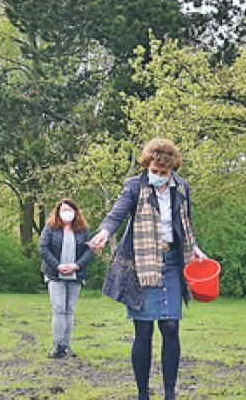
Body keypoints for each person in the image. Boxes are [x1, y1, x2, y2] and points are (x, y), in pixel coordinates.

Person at [88, 138, 207, 400]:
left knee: (171, 327)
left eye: (163, 173)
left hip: (173, 263)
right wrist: (104, 233)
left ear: (172, 169)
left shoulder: (182, 189)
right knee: (143, 330)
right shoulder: (134, 186)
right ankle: (143, 394)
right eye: (154, 171)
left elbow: (185, 225)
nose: (158, 176)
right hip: (143, 264)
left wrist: (194, 248)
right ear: (147, 165)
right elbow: (116, 214)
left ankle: (169, 393)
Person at [39, 198, 93, 359]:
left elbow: (89, 251)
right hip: (55, 274)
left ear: (76, 212)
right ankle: (58, 346)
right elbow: (43, 248)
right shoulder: (50, 228)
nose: (67, 213)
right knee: (59, 309)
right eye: (64, 210)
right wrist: (57, 266)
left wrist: (77, 265)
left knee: (69, 309)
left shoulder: (83, 230)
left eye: (70, 210)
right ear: (58, 212)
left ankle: (67, 345)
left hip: (76, 275)